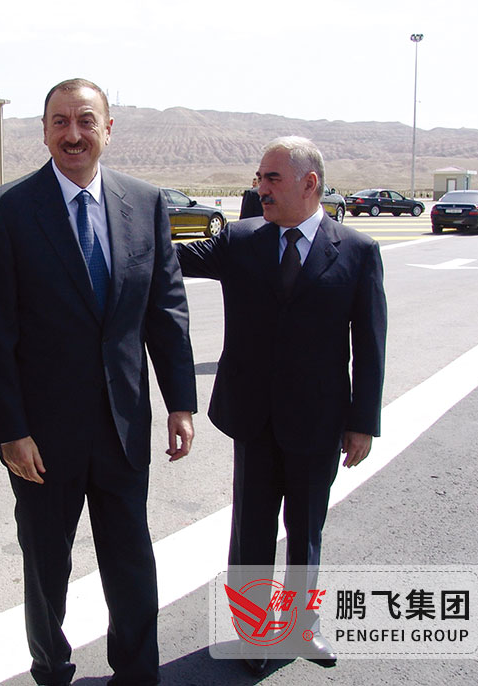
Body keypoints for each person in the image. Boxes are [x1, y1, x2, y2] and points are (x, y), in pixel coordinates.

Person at [0, 78, 196, 686]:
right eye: (60, 122)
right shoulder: (6, 210)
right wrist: (10, 430)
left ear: (108, 128)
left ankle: (137, 671)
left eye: (85, 121)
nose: (73, 135)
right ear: (44, 131)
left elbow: (166, 309)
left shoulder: (145, 202)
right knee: (46, 564)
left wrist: (180, 401)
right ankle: (51, 668)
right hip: (42, 436)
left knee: (131, 558)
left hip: (123, 424)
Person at [176, 136, 387, 674]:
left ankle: (301, 628)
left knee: (306, 531)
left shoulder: (357, 251)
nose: (260, 189)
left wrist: (362, 422)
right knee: (251, 531)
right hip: (253, 418)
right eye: (259, 178)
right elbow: (170, 258)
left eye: (271, 178)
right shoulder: (240, 239)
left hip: (319, 421)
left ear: (309, 183)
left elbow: (370, 344)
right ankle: (252, 634)